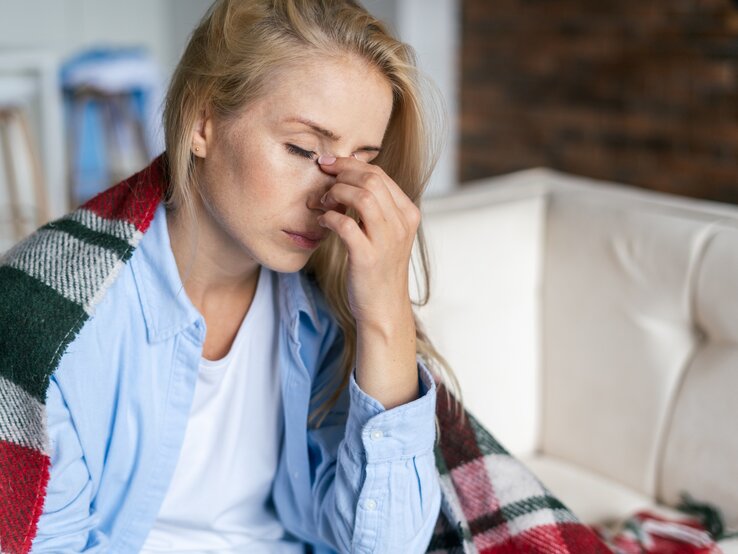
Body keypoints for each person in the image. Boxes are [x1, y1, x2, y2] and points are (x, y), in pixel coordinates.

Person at [25, 0, 463, 551]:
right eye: (304, 149)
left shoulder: (326, 311)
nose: (332, 196)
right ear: (203, 121)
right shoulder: (49, 322)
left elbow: (386, 545)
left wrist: (386, 316)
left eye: (359, 164)